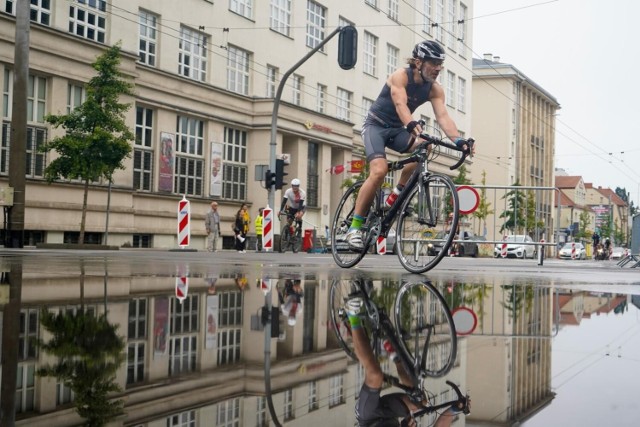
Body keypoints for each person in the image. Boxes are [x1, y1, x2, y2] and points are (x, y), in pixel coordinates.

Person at [346, 40, 474, 250]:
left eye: (440, 63)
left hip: (398, 131)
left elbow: (443, 117)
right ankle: (354, 228)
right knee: (379, 171)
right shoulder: (400, 76)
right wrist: (411, 123)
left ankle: (397, 191)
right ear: (418, 62)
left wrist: (459, 141)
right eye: (433, 63)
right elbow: (400, 103)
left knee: (426, 145)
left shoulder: (435, 90)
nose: (438, 68)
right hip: (375, 127)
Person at [346, 296, 469, 427]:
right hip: (389, 415)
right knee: (420, 400)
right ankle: (396, 357)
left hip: (369, 418)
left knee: (375, 375)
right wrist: (454, 409)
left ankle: (352, 315)